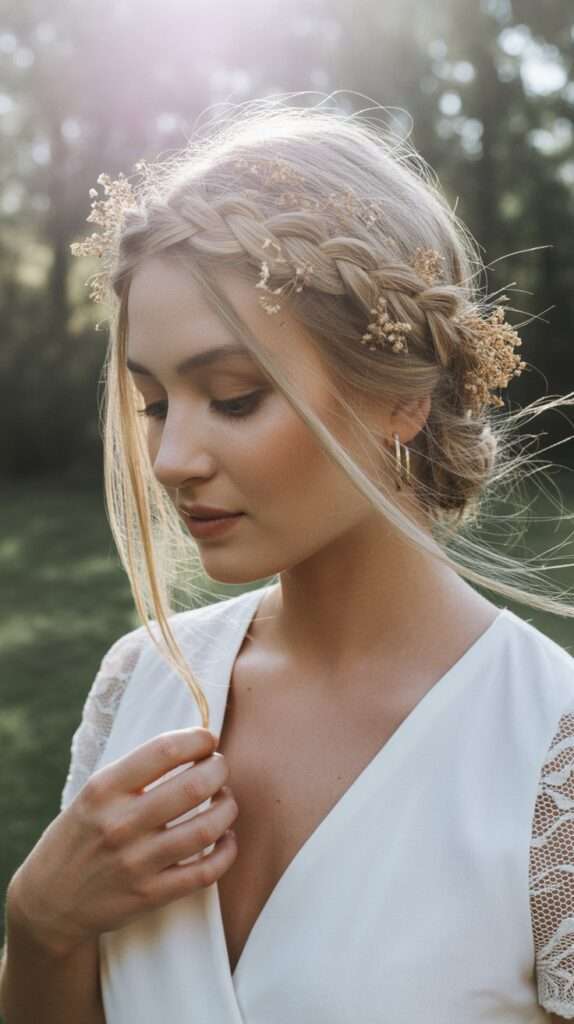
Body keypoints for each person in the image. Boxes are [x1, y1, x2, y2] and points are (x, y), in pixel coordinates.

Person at [2, 94, 574, 1024]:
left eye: (233, 397)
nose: (170, 459)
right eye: (154, 404)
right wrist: (40, 926)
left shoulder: (553, 756)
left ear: (401, 398)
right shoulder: (139, 684)